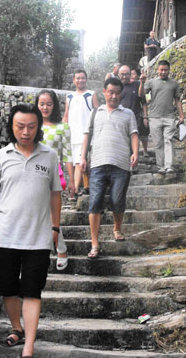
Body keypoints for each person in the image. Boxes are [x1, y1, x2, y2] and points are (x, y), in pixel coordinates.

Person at [0, 103, 61, 358]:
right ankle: (16, 328)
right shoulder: (0, 157)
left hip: (38, 238)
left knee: (32, 291)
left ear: (38, 127)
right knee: (8, 288)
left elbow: (56, 194)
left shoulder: (49, 156)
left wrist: (55, 227)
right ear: (11, 127)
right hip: (5, 235)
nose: (25, 132)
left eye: (31, 126)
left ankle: (29, 346)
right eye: (20, 126)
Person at [80, 78, 139, 258]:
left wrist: (135, 153)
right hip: (97, 163)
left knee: (117, 200)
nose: (114, 96)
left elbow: (134, 134)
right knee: (94, 202)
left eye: (117, 93)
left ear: (121, 94)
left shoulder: (128, 113)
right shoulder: (95, 113)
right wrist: (82, 157)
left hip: (121, 164)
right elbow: (86, 135)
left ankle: (117, 228)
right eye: (110, 92)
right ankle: (94, 244)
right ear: (104, 92)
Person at [35, 89, 73, 271]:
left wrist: (72, 180)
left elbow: (67, 155)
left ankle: (61, 249)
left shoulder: (62, 127)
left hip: (52, 175)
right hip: (33, 174)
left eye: (49, 104)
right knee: (38, 213)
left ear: (54, 106)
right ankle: (55, 248)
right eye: (41, 104)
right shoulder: (31, 125)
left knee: (51, 214)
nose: (45, 107)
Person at [143, 60, 184, 173]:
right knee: (158, 143)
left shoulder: (174, 84)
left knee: (168, 140)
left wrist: (181, 115)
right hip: (154, 117)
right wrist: (141, 82)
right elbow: (141, 95)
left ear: (169, 70)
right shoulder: (151, 82)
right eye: (161, 70)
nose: (163, 72)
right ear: (157, 70)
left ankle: (169, 166)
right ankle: (160, 166)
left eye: (165, 70)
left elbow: (177, 100)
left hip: (169, 117)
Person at [63, 69, 99, 197]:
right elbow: (66, 115)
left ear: (86, 79)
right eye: (78, 78)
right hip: (72, 134)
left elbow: (97, 113)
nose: (80, 80)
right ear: (74, 80)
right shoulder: (69, 97)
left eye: (83, 78)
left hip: (86, 135)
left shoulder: (91, 94)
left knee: (79, 162)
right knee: (75, 164)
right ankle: (85, 186)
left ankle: (74, 190)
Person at [120, 65, 149, 156]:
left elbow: (142, 99)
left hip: (135, 118)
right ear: (118, 74)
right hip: (120, 118)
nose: (124, 76)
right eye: (122, 74)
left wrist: (145, 117)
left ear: (130, 74)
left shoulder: (136, 84)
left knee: (134, 140)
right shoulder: (117, 86)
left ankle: (134, 159)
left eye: (127, 74)